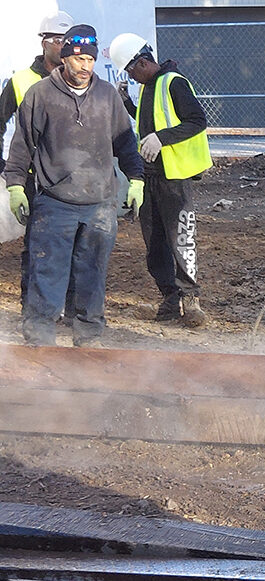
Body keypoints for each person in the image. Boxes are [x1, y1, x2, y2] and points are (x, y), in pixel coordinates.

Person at [3, 24, 145, 347]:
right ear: (65, 57)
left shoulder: (107, 96)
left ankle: (89, 340)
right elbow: (22, 144)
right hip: (54, 202)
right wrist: (14, 185)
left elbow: (126, 143)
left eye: (91, 61)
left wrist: (136, 179)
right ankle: (40, 343)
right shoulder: (40, 95)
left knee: (92, 275)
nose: (85, 67)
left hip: (99, 203)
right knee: (47, 273)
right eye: (79, 59)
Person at [109, 33, 212, 327]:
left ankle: (190, 299)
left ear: (142, 63)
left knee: (181, 238)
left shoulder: (174, 82)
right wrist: (127, 103)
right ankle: (169, 298)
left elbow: (197, 121)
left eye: (131, 71)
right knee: (154, 243)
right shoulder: (149, 87)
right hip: (151, 175)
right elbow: (148, 121)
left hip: (174, 176)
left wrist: (162, 139)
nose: (131, 76)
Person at [0, 9, 75, 312]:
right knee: (35, 245)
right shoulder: (21, 81)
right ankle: (33, 308)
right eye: (57, 39)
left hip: (72, 178)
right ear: (44, 42)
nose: (63, 46)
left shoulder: (81, 80)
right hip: (33, 177)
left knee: (74, 244)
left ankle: (72, 309)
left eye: (67, 40)